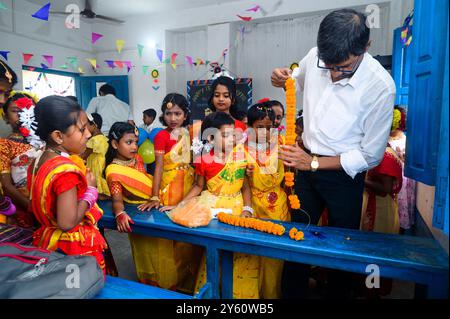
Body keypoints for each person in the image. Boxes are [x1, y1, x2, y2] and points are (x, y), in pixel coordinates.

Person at [272, 9, 396, 298]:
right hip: (305, 166)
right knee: (297, 237)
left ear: (366, 47)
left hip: (342, 176)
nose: (335, 73)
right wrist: (281, 78)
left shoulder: (380, 88)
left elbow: (370, 155)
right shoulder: (316, 55)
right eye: (328, 65)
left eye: (344, 67)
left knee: (343, 245)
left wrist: (313, 162)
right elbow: (295, 80)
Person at [169, 112, 256, 298]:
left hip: (238, 209)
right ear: (210, 138)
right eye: (225, 136)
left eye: (233, 135)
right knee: (214, 252)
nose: (232, 139)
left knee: (239, 253)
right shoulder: (204, 160)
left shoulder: (241, 157)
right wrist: (181, 205)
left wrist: (248, 208)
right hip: (213, 210)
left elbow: (246, 188)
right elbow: (198, 186)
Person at [28, 96, 107, 274]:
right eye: (81, 129)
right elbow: (67, 222)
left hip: (47, 241)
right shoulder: (65, 171)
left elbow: (33, 204)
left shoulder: (38, 160)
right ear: (58, 136)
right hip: (70, 248)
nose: (88, 133)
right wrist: (91, 192)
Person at [138, 93, 201, 294]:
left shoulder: (193, 134)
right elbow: (157, 167)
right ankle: (168, 283)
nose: (172, 118)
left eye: (177, 113)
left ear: (185, 114)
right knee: (168, 237)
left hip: (190, 187)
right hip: (169, 186)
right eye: (168, 113)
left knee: (188, 236)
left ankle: (187, 282)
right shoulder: (161, 136)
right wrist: (155, 195)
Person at [245, 103, 289, 299]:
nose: (264, 132)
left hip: (277, 205)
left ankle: (272, 296)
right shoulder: (240, 149)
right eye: (259, 127)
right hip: (251, 205)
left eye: (269, 127)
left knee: (274, 259)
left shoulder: (282, 145)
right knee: (252, 256)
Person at [1, 91, 43, 228]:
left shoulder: (45, 139)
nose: (22, 115)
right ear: (5, 116)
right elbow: (7, 186)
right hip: (23, 208)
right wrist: (34, 208)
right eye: (15, 111)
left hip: (49, 203)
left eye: (28, 110)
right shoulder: (4, 144)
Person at [388, 106, 415, 232]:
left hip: (402, 179)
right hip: (389, 177)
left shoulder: (406, 142)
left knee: (401, 201)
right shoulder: (384, 141)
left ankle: (400, 227)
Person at [82, 112, 110, 198]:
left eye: (85, 125)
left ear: (94, 125)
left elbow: (84, 156)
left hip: (94, 165)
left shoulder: (93, 140)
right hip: (101, 164)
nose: (84, 128)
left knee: (94, 180)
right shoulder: (104, 138)